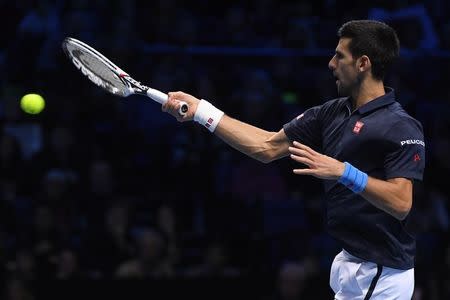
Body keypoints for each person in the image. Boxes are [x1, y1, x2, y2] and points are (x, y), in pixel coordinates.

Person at [162, 19, 425, 299]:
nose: (331, 64)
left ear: (363, 64)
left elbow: (401, 202)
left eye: (339, 56)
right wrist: (202, 111)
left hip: (381, 274)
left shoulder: (400, 125)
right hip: (353, 262)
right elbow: (266, 146)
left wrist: (343, 171)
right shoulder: (331, 113)